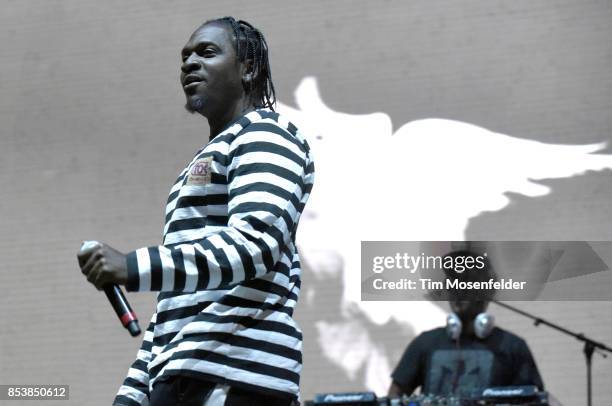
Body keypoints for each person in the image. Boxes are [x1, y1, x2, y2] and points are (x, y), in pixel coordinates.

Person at [77, 16, 314, 406]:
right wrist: (133, 394)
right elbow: (176, 304)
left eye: (206, 52)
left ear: (248, 68)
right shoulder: (202, 162)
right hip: (184, 375)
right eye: (184, 57)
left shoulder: (267, 134)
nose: (188, 63)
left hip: (235, 374)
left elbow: (253, 245)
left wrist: (132, 266)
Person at [388, 250, 544, 399]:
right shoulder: (425, 343)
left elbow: (533, 398)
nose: (456, 290)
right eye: (452, 283)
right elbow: (395, 394)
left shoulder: (512, 347)